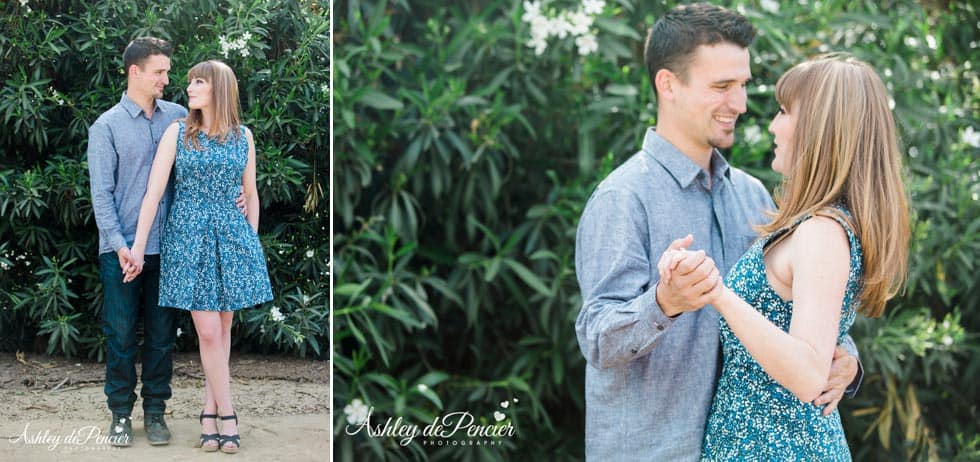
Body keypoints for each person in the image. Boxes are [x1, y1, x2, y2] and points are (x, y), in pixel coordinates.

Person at [573, 4, 862, 461]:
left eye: (743, 85)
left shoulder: (753, 198)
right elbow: (596, 338)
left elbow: (791, 301)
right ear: (668, 84)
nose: (741, 104)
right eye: (722, 87)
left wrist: (844, 355)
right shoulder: (623, 199)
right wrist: (665, 302)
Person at [655, 54, 907, 460]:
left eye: (785, 112)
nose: (773, 124)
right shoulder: (813, 226)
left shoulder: (823, 232)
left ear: (821, 130)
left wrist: (717, 293)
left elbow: (808, 374)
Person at [127, 60, 273, 454]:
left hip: (232, 239)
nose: (189, 87)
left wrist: (250, 242)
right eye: (190, 80)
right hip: (188, 239)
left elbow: (252, 192)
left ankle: (209, 412)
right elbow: (153, 195)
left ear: (219, 89)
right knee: (208, 332)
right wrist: (138, 246)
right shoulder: (178, 133)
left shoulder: (244, 136)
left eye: (198, 81)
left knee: (223, 332)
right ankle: (228, 414)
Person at [87, 36, 186, 447]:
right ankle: (121, 414)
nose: (167, 78)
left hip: (169, 247)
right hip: (121, 252)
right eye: (159, 71)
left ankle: (157, 412)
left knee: (163, 336)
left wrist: (238, 190)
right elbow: (101, 195)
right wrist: (120, 244)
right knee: (122, 335)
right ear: (135, 72)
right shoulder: (106, 127)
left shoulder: (179, 117)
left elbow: (214, 152)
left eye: (166, 70)